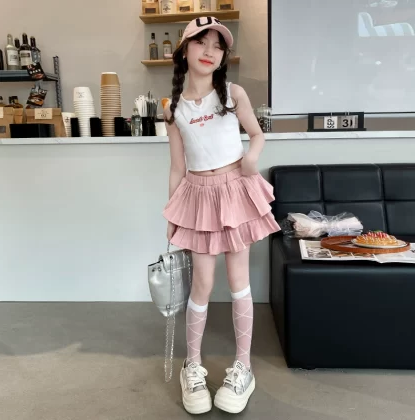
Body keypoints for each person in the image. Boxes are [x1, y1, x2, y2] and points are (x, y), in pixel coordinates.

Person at [163, 16, 281, 415]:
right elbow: (177, 167)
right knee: (202, 283)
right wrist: (172, 213)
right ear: (185, 50)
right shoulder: (173, 109)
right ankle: (192, 366)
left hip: (235, 191)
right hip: (198, 196)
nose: (210, 51)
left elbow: (258, 134)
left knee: (237, 280)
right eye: (201, 42)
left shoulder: (233, 93)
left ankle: (243, 367)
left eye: (218, 45)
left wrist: (251, 158)